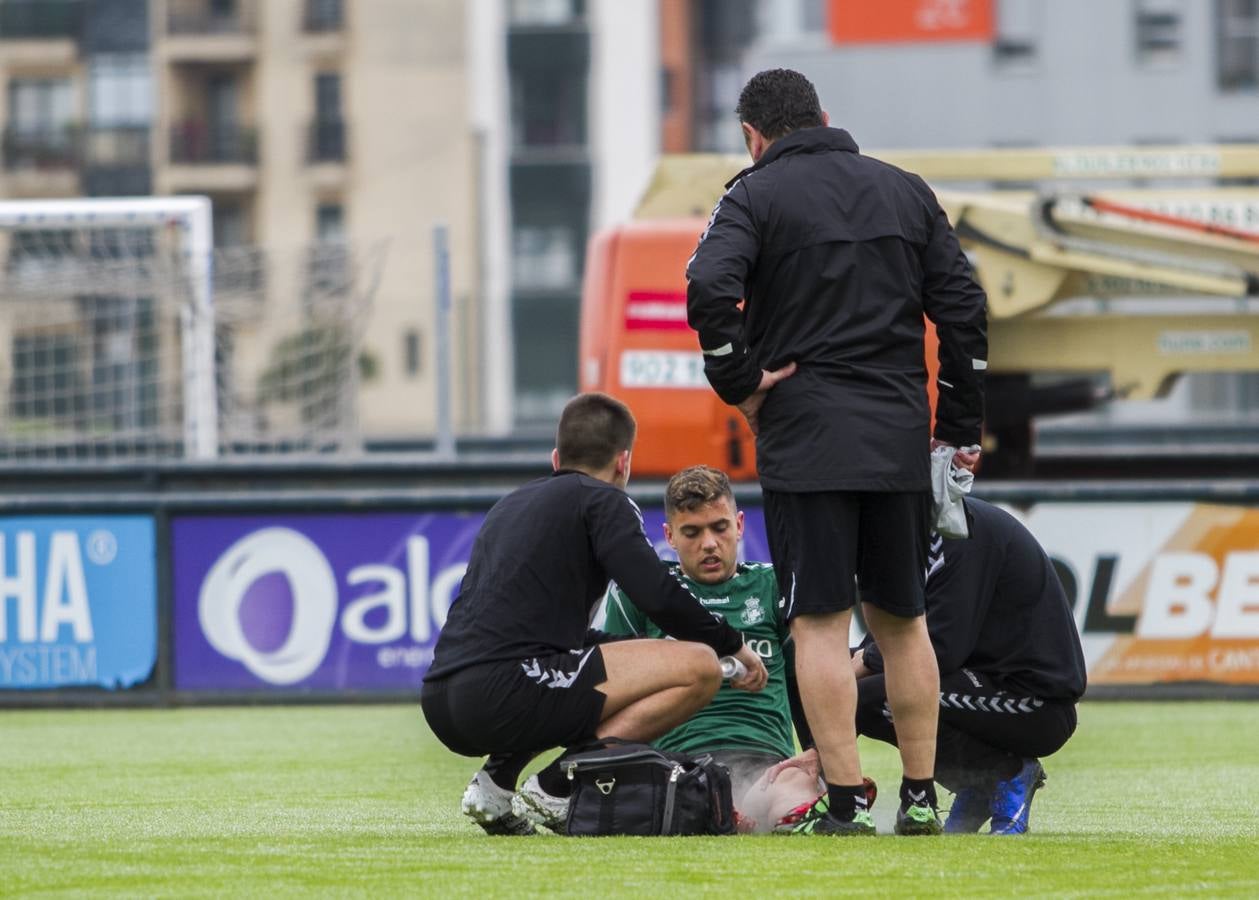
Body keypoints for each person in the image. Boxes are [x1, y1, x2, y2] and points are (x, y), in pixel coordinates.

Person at [685, 68, 988, 836]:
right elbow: (963, 309)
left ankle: (847, 800)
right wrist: (957, 425)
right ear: (823, 116)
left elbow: (706, 286)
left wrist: (739, 379)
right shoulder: (905, 190)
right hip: (894, 437)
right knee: (902, 623)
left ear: (752, 137)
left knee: (817, 625)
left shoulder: (749, 195)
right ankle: (921, 796)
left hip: (805, 436)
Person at [420, 393, 767, 836]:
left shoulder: (509, 504)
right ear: (623, 462)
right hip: (500, 690)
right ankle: (558, 784)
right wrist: (730, 643)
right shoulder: (604, 500)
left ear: (555, 459)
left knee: (626, 657)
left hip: (442, 697)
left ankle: (495, 784)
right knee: (699, 666)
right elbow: (656, 595)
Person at [601, 465, 824, 832]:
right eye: (692, 532)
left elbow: (808, 683)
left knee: (791, 785)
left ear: (739, 525)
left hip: (767, 764)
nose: (709, 543)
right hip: (677, 767)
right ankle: (725, 814)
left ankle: (784, 816)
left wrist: (818, 754)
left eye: (719, 528)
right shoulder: (641, 594)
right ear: (669, 535)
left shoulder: (773, 586)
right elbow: (611, 691)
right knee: (690, 796)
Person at [851, 498, 1086, 834]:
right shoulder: (915, 533)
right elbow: (892, 632)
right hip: (979, 680)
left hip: (1036, 703)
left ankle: (1003, 773)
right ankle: (976, 783)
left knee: (875, 694)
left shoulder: (959, 531)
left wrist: (863, 663)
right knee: (820, 669)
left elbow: (943, 647)